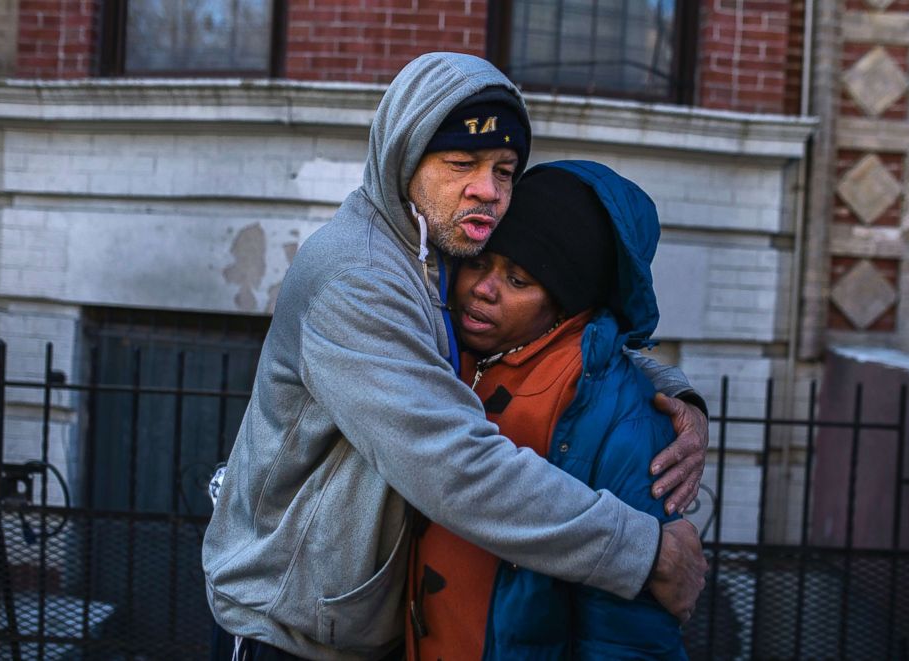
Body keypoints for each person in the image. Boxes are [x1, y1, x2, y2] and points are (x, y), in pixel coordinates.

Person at [203, 52, 707, 660]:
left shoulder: (437, 249)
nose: (487, 191)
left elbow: (547, 329)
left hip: (370, 627)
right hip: (288, 630)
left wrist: (671, 392)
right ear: (405, 154)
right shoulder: (357, 278)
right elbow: (453, 465)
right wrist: (643, 550)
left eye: (504, 169)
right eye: (461, 162)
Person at [408, 161, 691, 659]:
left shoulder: (620, 417)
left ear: (565, 303)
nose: (483, 289)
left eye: (518, 280)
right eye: (479, 262)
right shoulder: (433, 347)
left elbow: (626, 637)